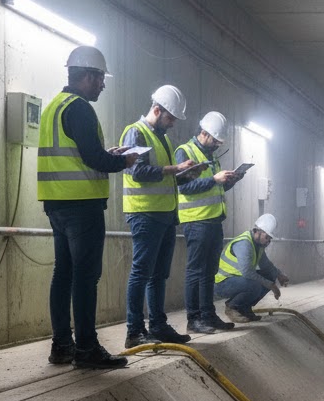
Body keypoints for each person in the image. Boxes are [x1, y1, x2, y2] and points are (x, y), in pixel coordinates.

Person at [37, 46, 137, 369]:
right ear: (88, 76)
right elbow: (94, 159)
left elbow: (80, 154)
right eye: (100, 80)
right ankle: (87, 350)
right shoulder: (80, 108)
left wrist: (106, 153)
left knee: (63, 274)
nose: (102, 86)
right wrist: (125, 159)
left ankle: (61, 346)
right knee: (85, 277)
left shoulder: (54, 106)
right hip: (82, 206)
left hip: (56, 204)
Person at [120, 85, 196, 348]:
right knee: (141, 272)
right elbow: (137, 172)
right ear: (156, 109)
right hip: (144, 212)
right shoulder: (135, 132)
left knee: (158, 274)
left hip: (163, 214)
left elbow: (163, 174)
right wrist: (174, 168)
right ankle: (134, 330)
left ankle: (158, 325)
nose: (172, 123)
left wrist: (184, 174)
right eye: (170, 118)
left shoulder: (162, 137)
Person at [175, 111, 243, 334]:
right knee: (195, 271)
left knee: (208, 272)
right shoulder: (185, 152)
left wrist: (229, 181)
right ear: (203, 133)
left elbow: (215, 188)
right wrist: (214, 179)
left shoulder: (212, 157)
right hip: (197, 221)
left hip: (214, 220)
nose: (216, 145)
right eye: (215, 140)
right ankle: (193, 319)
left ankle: (208, 315)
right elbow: (184, 187)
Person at [214, 213, 290, 323]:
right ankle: (232, 307)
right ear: (257, 231)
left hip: (238, 280)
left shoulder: (258, 245)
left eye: (270, 239)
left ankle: (244, 308)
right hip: (222, 283)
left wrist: (279, 274)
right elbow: (247, 272)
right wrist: (271, 285)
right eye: (267, 237)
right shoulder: (245, 244)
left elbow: (266, 266)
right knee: (254, 284)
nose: (268, 242)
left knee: (270, 275)